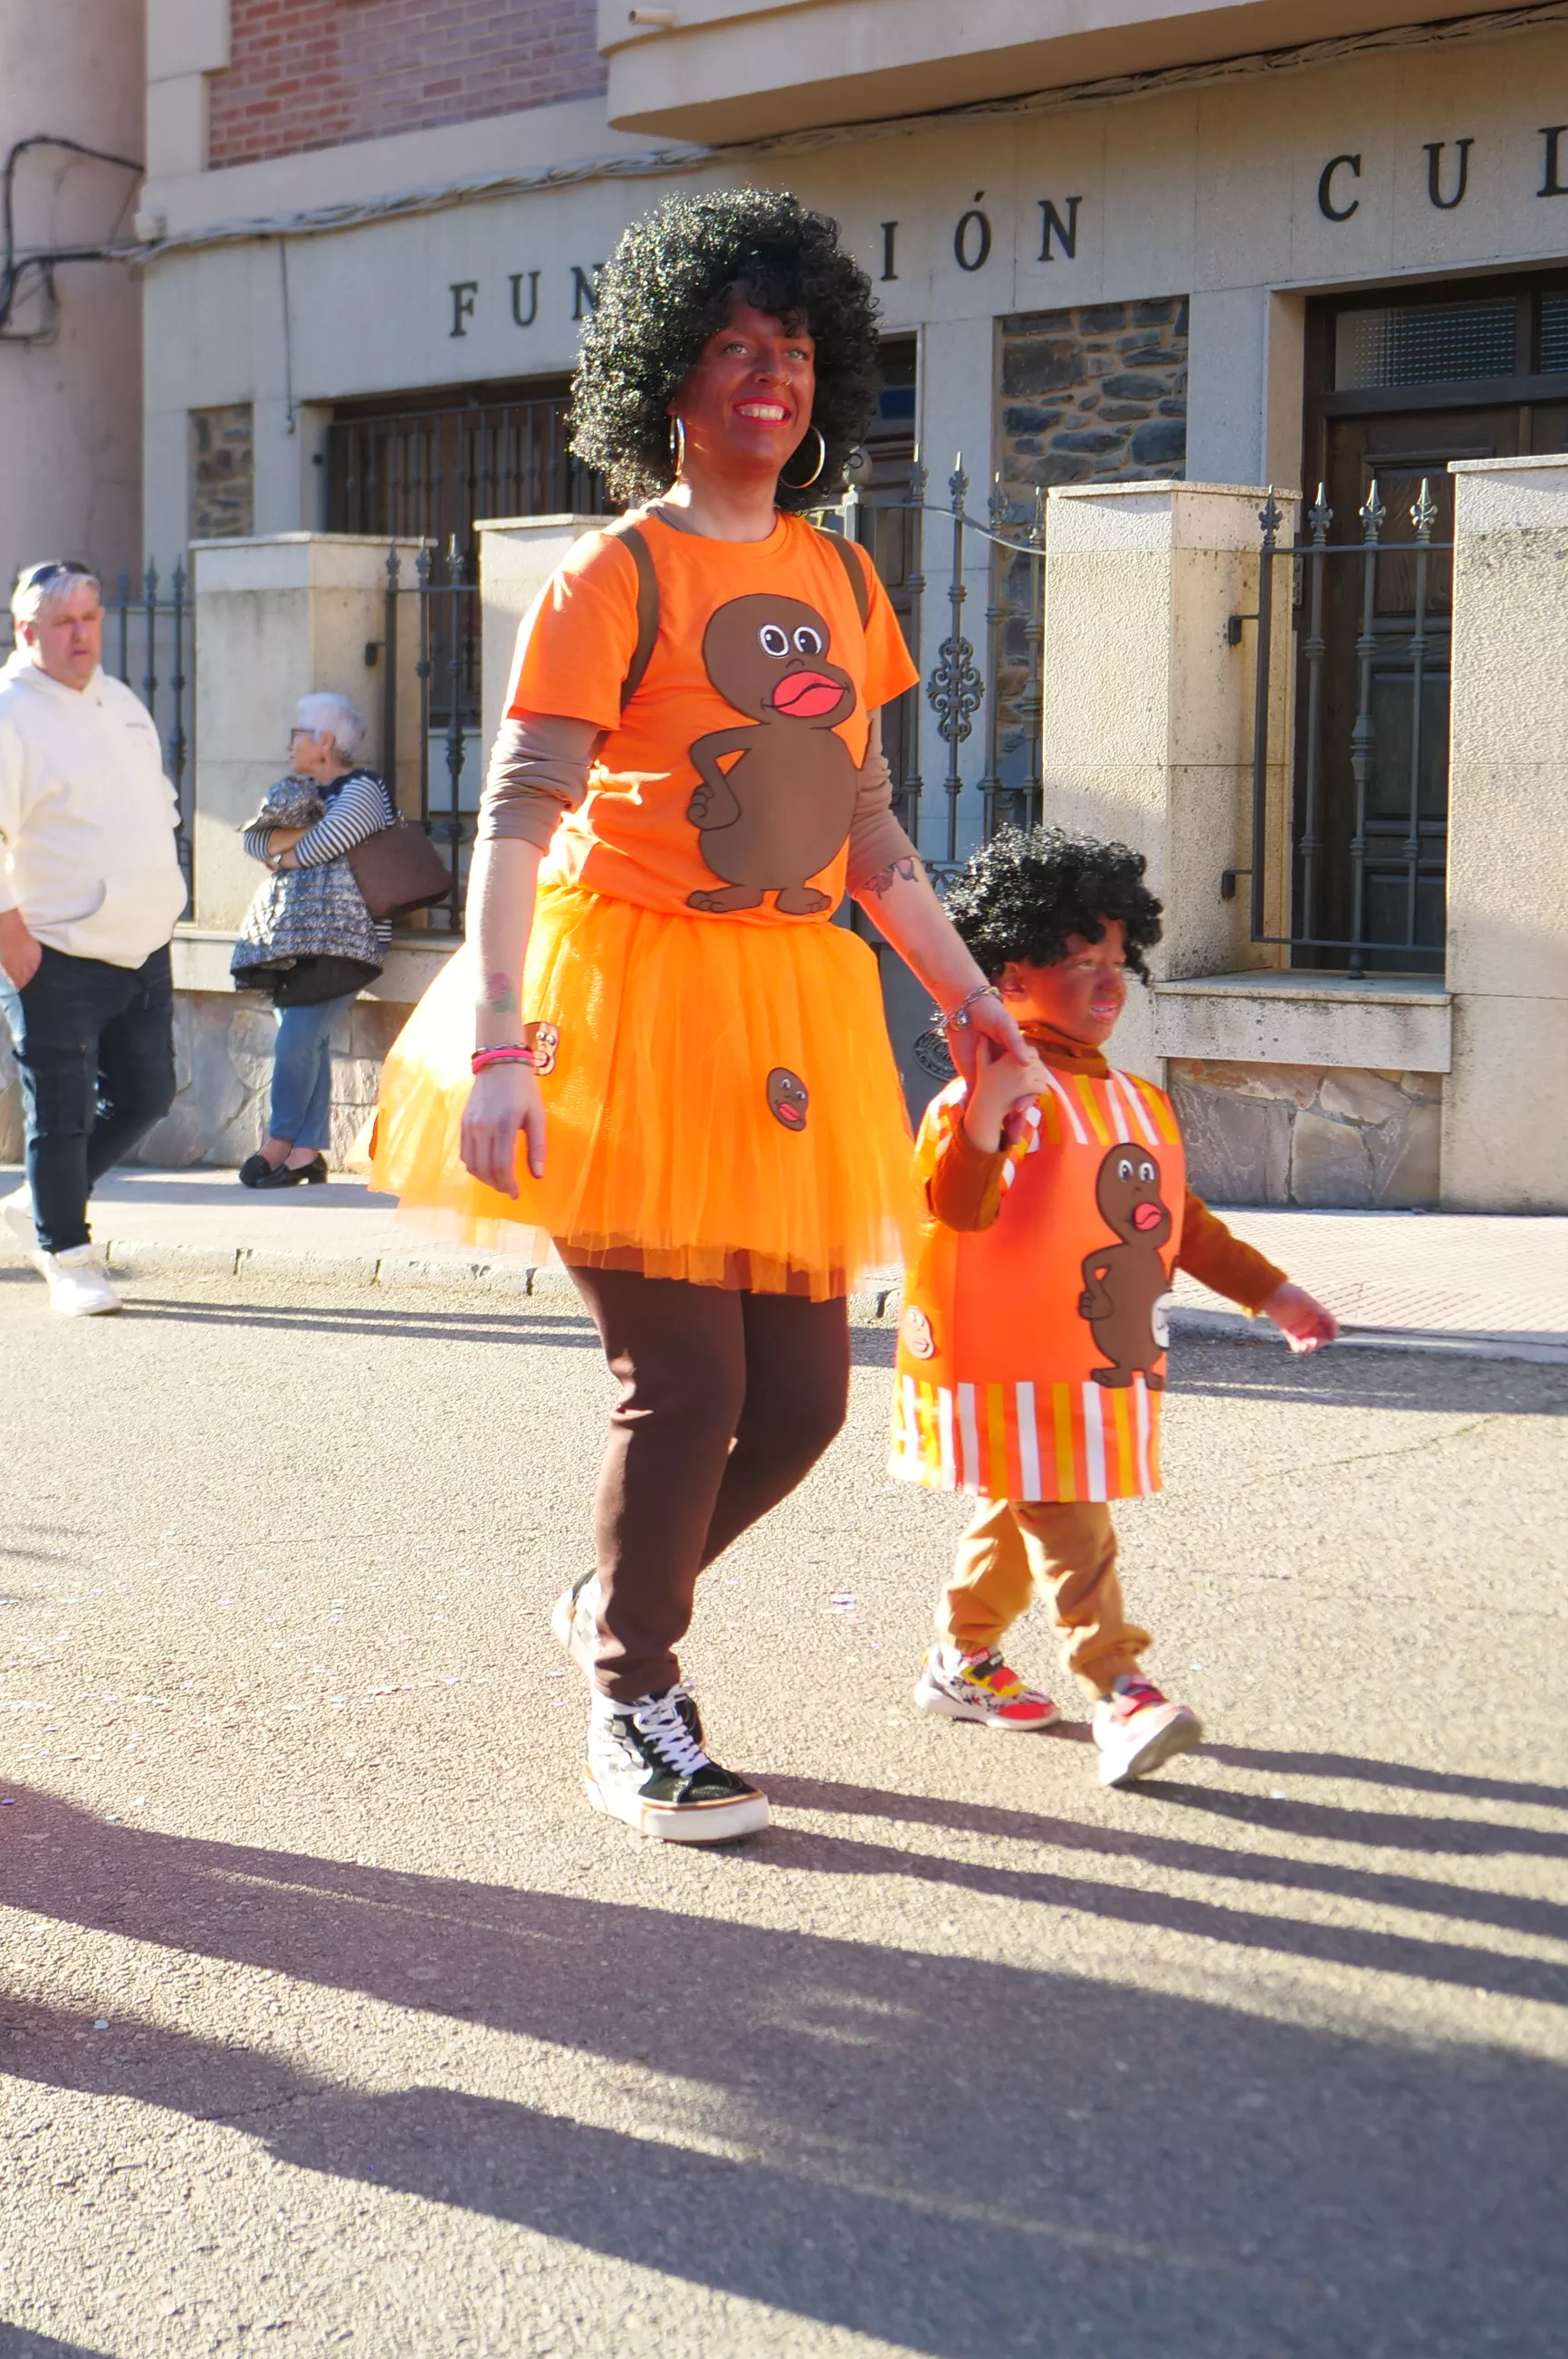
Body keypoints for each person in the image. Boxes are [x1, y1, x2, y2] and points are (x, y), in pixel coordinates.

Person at [370, 188, 1036, 1845]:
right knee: (679, 1383)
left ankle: (613, 1588)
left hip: (794, 1008)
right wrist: (507, 1038)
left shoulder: (837, 571)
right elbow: (517, 816)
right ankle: (633, 1688)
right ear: (667, 376)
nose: (767, 377)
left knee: (802, 1399)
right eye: (733, 348)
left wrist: (972, 1005)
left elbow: (868, 827)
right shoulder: (613, 571)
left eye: (792, 349)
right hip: (626, 995)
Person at [894, 827, 1338, 1786]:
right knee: (1068, 1513)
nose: (1104, 982)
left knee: (1030, 1506)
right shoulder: (991, 1094)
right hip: (1012, 1355)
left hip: (1093, 1349)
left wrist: (1271, 1291)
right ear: (1006, 974)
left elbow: (1181, 1222)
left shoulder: (1133, 1096)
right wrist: (983, 1111)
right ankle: (1119, 1688)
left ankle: (962, 1658)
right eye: (1072, 961)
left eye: (1113, 958)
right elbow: (956, 1206)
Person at [0, 560, 186, 1317]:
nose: (81, 634)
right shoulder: (1, 717)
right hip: (52, 949)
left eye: (91, 616)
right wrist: (10, 940)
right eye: (64, 622)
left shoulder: (121, 701)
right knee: (64, 1111)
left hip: (141, 944)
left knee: (147, 1094)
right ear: (26, 630)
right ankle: (65, 1252)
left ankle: (40, 1199)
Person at [229, 690, 397, 1189]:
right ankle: (306, 1153)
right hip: (292, 942)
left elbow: (327, 843)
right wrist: (283, 845)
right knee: (308, 1038)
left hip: (346, 941)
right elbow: (253, 839)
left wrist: (282, 850)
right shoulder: (293, 789)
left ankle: (279, 1141)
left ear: (325, 742)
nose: (289, 744)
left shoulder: (363, 790)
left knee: (296, 1037)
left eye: (298, 734)